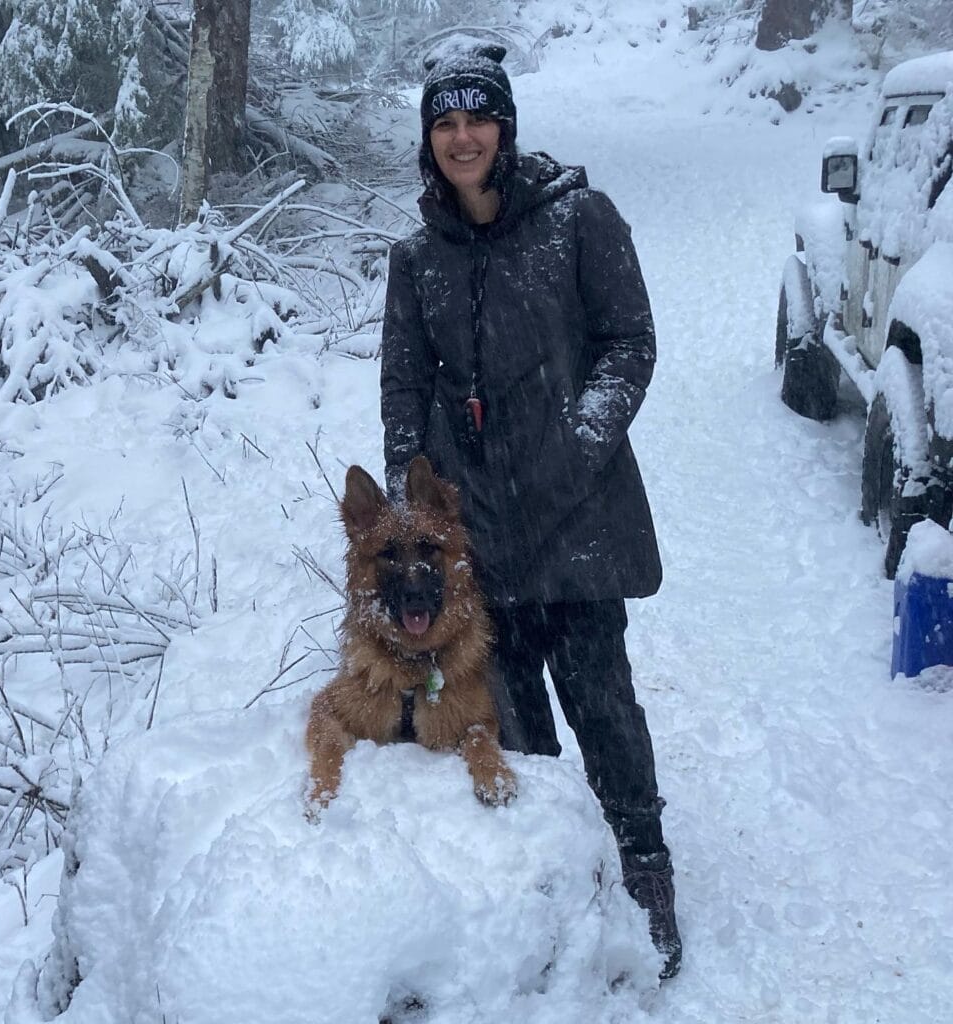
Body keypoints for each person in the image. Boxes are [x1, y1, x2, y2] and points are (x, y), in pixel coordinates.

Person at [380, 42, 682, 980]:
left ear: (505, 128)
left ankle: (644, 865)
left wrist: (579, 442)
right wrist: (415, 511)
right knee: (513, 725)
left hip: (579, 519)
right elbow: (402, 391)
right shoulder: (417, 257)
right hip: (477, 540)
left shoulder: (579, 220)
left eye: (477, 119)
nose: (462, 137)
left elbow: (630, 340)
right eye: (445, 122)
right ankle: (564, 873)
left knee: (605, 707)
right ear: (429, 139)